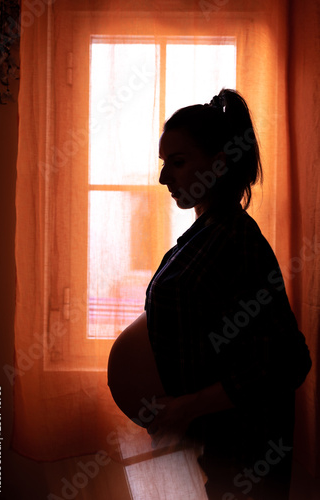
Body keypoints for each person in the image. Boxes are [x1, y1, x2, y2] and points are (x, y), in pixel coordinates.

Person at [141, 89, 312, 500]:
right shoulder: (203, 236)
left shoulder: (236, 240)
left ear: (218, 163)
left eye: (178, 163)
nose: (165, 178)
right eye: (165, 164)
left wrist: (188, 407)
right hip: (208, 452)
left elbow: (288, 360)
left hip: (243, 460)